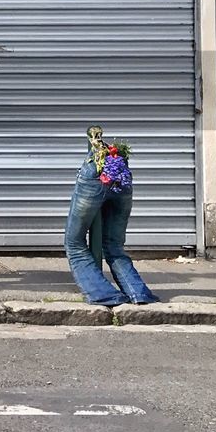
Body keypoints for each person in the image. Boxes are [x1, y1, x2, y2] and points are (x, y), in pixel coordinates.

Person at [63, 126, 159, 306]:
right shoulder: (115, 156)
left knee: (74, 242)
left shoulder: (95, 158)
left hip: (94, 178)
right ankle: (138, 293)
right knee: (114, 245)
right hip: (121, 177)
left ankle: (103, 294)